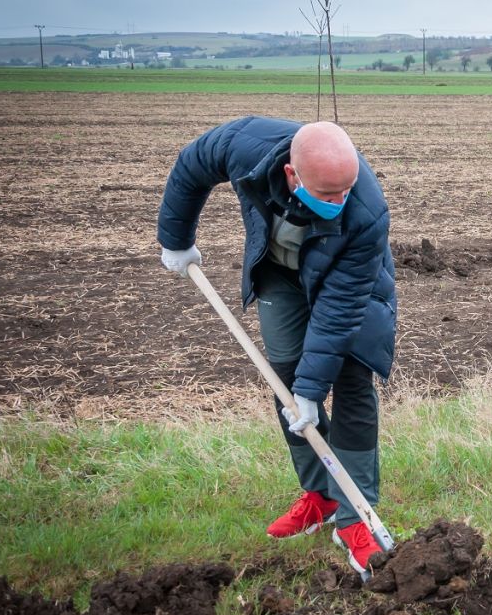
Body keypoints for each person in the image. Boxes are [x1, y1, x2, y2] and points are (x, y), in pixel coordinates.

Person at [157, 117, 397, 579]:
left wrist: (314, 387)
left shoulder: (365, 212)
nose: (339, 202)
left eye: (345, 191)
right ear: (292, 175)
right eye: (328, 195)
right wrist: (176, 238)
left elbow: (340, 310)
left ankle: (354, 521)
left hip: (350, 287)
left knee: (350, 380)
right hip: (279, 272)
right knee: (284, 381)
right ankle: (321, 495)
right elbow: (191, 166)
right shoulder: (242, 145)